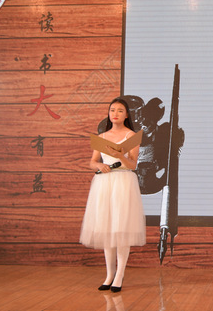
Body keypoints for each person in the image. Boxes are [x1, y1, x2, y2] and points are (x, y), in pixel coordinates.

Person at [80, 97, 146, 292]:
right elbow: (92, 161)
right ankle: (109, 274)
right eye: (112, 110)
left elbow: (133, 164)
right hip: (104, 183)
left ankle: (119, 275)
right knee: (107, 228)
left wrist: (119, 156)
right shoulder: (102, 136)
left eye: (119, 111)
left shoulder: (131, 136)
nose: (115, 114)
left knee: (121, 229)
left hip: (123, 181)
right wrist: (99, 165)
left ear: (126, 115)